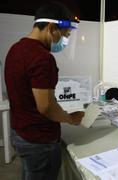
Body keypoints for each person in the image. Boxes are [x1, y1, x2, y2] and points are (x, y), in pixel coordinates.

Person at [4, 2, 84, 180]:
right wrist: (70, 118)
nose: (63, 40)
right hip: (39, 141)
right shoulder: (42, 58)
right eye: (64, 35)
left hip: (20, 132)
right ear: (51, 27)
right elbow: (46, 107)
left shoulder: (15, 49)